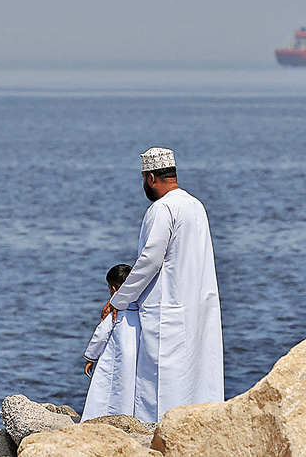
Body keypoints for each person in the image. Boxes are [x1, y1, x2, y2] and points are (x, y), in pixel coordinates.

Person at [101, 147, 224, 423]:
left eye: (144, 178)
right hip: (198, 306)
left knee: (160, 382)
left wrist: (119, 300)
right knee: (196, 373)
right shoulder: (196, 205)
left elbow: (149, 261)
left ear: (151, 178)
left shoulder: (161, 208)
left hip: (167, 310)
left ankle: (157, 438)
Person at [81, 264, 140, 421]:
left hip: (117, 355)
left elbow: (101, 335)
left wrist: (91, 357)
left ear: (114, 289)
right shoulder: (143, 309)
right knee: (130, 389)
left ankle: (99, 417)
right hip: (137, 356)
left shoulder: (115, 311)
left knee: (108, 387)